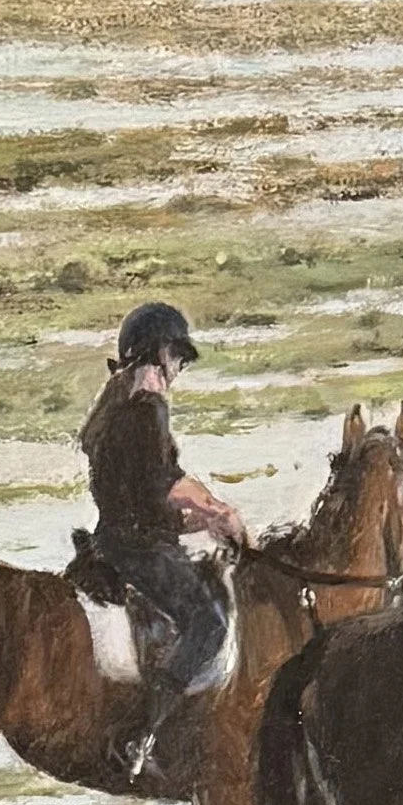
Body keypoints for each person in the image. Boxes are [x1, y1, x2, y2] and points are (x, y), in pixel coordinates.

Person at [80, 301, 248, 774]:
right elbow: (167, 485)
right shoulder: (147, 407)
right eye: (176, 356)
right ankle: (140, 732)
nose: (178, 368)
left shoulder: (113, 407)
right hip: (137, 551)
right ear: (156, 354)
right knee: (209, 623)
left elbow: (141, 500)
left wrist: (199, 522)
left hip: (113, 539)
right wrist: (219, 511)